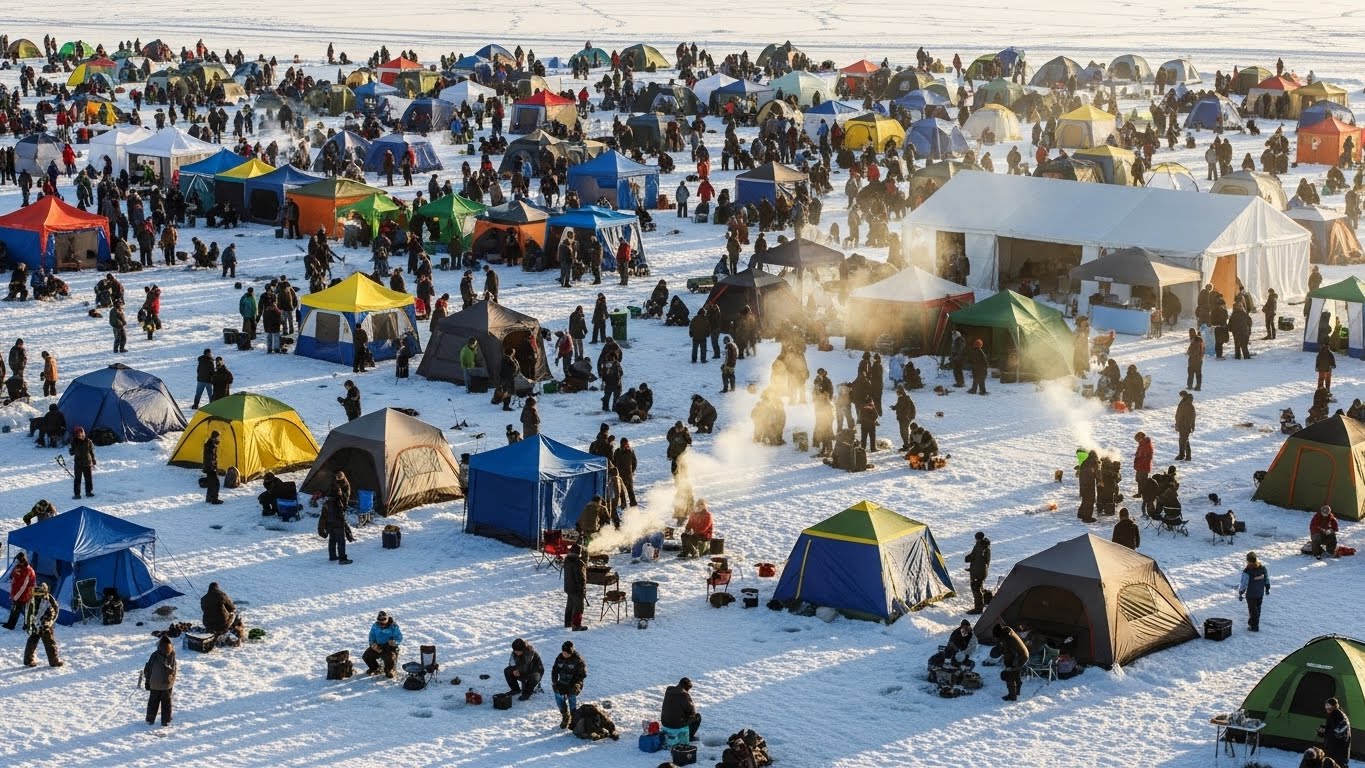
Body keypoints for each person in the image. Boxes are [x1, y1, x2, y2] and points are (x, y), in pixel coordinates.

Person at [23, 582, 61, 668]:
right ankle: (54, 661)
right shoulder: (46, 598)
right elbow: (55, 608)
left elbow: (27, 611)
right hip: (44, 625)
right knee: (50, 643)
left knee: (33, 641)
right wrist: (51, 621)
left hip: (37, 624)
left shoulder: (32, 598)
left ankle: (28, 660)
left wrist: (28, 623)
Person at [552, 640, 587, 729]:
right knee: (557, 694)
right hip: (563, 681)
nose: (565, 654)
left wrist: (573, 684)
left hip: (575, 683)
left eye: (567, 653)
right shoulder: (559, 658)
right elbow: (554, 671)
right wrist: (555, 683)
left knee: (571, 694)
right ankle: (565, 716)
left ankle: (573, 715)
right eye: (563, 652)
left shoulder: (578, 660)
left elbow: (582, 675)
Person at [143, 635, 177, 726]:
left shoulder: (154, 655)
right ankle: (166, 721)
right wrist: (171, 681)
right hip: (167, 684)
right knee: (166, 703)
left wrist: (147, 682)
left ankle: (150, 720)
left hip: (154, 683)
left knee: (153, 702)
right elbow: (173, 670)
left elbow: (148, 669)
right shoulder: (172, 654)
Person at [992, 621, 1029, 701]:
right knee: (1016, 672)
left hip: (1020, 657)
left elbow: (1008, 653)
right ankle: (1017, 691)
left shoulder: (1006, 638)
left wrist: (1008, 666)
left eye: (997, 637)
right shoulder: (1008, 632)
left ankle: (1012, 696)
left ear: (999, 634)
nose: (997, 638)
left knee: (1009, 675)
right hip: (1024, 654)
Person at [363, 610, 403, 678]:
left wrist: (394, 642)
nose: (381, 621)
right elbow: (371, 636)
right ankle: (375, 668)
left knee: (390, 657)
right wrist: (373, 645)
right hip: (379, 645)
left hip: (390, 646)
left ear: (387, 618)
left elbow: (399, 637)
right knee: (366, 656)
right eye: (379, 619)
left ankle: (390, 670)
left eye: (384, 619)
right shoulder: (375, 626)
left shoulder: (393, 626)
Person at [661, 677, 701, 742]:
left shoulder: (669, 689)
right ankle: (690, 737)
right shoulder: (685, 695)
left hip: (665, 722)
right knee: (697, 717)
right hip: (676, 725)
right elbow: (692, 712)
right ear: (687, 687)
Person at [318, 492, 354, 564]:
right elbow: (341, 517)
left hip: (329, 525)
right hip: (338, 525)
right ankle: (342, 559)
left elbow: (323, 516)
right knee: (341, 541)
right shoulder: (338, 503)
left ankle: (332, 556)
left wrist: (321, 528)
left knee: (332, 540)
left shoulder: (326, 503)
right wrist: (346, 528)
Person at [1238, 551, 1270, 632]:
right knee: (1257, 609)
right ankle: (1251, 622)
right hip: (1260, 593)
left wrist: (1241, 592)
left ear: (1248, 561)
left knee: (1252, 610)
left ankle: (1254, 627)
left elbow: (1243, 583)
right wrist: (1267, 587)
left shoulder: (1247, 571)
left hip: (1251, 594)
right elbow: (1266, 579)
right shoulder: (1262, 568)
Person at [4, 552, 35, 631]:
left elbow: (24, 586)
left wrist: (16, 597)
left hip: (25, 593)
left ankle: (26, 625)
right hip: (17, 592)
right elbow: (13, 576)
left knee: (24, 609)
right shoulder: (19, 567)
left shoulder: (28, 571)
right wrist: (12, 575)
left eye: (17, 561)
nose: (16, 563)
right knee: (16, 608)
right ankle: (11, 624)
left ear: (21, 561)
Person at [1321, 697, 1352, 767]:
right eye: (1326, 706)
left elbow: (1340, 733)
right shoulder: (1332, 716)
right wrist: (1323, 731)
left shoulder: (1341, 717)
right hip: (1331, 749)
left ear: (1334, 706)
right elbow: (1331, 730)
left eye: (1328, 706)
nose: (1327, 709)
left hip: (1339, 751)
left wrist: (1328, 732)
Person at [965, 531, 990, 614]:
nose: (976, 540)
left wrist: (970, 558)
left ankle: (978, 609)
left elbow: (979, 561)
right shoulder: (980, 545)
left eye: (977, 539)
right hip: (977, 571)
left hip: (979, 573)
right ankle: (987, 599)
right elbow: (975, 557)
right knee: (979, 588)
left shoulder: (982, 548)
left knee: (976, 589)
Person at [562, 545, 587, 632]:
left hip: (569, 587)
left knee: (570, 605)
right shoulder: (578, 562)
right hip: (577, 589)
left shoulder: (567, 560)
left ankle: (568, 622)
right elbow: (580, 577)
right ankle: (576, 625)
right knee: (579, 607)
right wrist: (582, 589)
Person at [69, 425, 96, 499]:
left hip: (87, 463)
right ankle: (77, 494)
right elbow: (71, 453)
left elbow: (91, 451)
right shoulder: (74, 442)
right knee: (77, 479)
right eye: (78, 434)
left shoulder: (88, 441)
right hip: (78, 463)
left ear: (84, 433)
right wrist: (71, 449)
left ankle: (89, 492)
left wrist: (93, 459)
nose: (80, 435)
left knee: (88, 478)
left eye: (81, 433)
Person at [893, 386, 916, 452]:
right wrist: (894, 407)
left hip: (906, 418)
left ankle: (907, 446)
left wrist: (906, 417)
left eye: (897, 392)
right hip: (902, 417)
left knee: (904, 432)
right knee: (903, 432)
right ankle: (907, 445)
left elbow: (908, 410)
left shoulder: (906, 399)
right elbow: (898, 405)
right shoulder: (900, 398)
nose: (897, 394)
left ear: (901, 392)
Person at [1175, 391, 1196, 461]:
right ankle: (1184, 455)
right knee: (1183, 440)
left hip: (1186, 426)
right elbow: (1178, 414)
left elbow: (1192, 417)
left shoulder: (1188, 405)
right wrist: (1177, 424)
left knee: (1184, 441)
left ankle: (1184, 455)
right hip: (1181, 425)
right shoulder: (1183, 403)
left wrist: (1191, 426)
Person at [203, 430, 222, 504]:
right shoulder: (211, 446)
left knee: (211, 483)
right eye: (217, 437)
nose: (218, 439)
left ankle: (209, 498)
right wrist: (214, 468)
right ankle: (214, 499)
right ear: (215, 437)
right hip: (210, 467)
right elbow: (211, 458)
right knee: (216, 483)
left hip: (208, 467)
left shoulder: (209, 444)